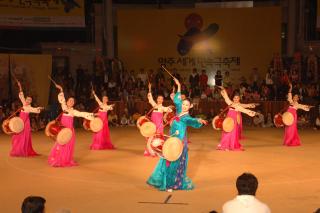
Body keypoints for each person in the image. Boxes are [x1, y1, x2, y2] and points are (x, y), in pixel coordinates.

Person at [147, 77, 207, 191]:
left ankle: (172, 184)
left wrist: (199, 120)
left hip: (179, 142)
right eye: (183, 104)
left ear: (190, 107)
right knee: (166, 160)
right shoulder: (179, 111)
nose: (184, 106)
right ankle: (166, 182)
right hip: (171, 139)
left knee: (174, 163)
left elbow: (192, 121)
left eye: (186, 105)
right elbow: (177, 100)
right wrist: (178, 85)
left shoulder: (187, 117)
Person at [48, 84, 94, 167]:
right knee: (61, 143)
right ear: (67, 101)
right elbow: (61, 99)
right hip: (62, 130)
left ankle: (66, 159)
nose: (71, 102)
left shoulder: (73, 111)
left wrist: (91, 115)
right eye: (70, 100)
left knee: (69, 144)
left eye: (73, 101)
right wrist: (61, 89)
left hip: (70, 131)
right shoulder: (64, 107)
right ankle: (58, 159)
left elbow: (81, 114)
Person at [217, 87, 257, 151]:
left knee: (232, 133)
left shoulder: (239, 106)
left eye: (237, 98)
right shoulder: (230, 103)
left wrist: (252, 111)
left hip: (234, 121)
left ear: (239, 99)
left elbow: (244, 110)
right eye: (235, 98)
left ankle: (230, 145)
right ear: (233, 98)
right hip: (228, 120)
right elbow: (226, 97)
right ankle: (225, 145)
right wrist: (223, 89)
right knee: (226, 132)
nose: (236, 99)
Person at [10, 81, 44, 157]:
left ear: (31, 101)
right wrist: (20, 86)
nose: (28, 101)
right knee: (18, 135)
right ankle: (18, 150)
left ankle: (24, 150)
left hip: (26, 123)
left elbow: (36, 109)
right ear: (25, 99)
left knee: (25, 136)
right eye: (27, 99)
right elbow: (21, 94)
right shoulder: (23, 103)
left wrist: (40, 108)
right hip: (20, 122)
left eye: (30, 100)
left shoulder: (29, 108)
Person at [144, 83, 173, 156]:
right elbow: (150, 98)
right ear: (156, 99)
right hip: (153, 125)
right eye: (159, 98)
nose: (160, 100)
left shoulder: (163, 108)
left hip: (159, 125)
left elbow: (170, 110)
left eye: (161, 99)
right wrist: (150, 89)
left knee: (159, 137)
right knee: (151, 137)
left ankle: (159, 150)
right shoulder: (154, 105)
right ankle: (150, 150)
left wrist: (170, 108)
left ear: (163, 100)